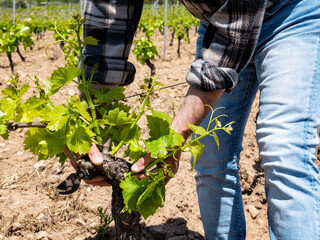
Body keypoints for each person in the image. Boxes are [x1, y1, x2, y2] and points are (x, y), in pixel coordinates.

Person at [79, 1, 320, 239]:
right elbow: (110, 12)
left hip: (291, 16)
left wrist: (175, 135)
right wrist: (89, 122)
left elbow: (240, 18)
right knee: (212, 157)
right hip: (221, 23)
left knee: (285, 151)